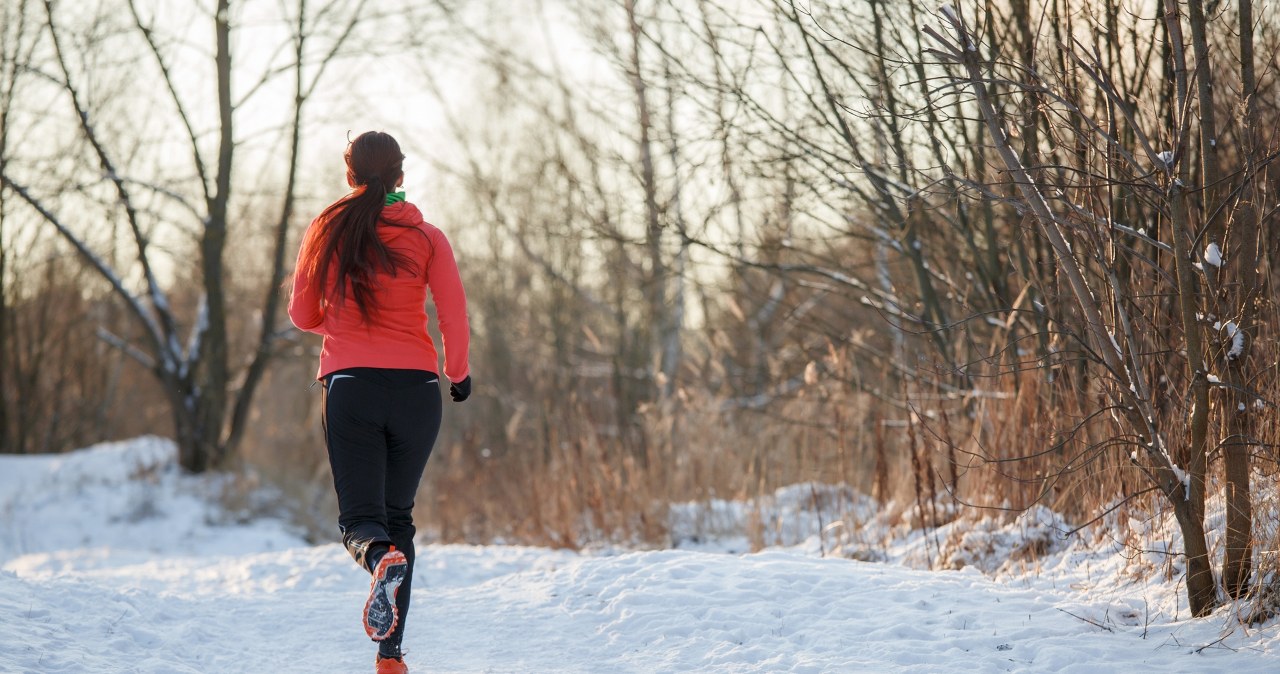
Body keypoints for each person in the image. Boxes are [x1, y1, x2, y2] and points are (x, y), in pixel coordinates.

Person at [288, 131, 471, 674]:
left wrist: (341, 327)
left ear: (351, 175)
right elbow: (453, 315)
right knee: (400, 519)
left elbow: (302, 313)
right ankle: (389, 658)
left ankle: (375, 558)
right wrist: (457, 374)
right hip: (417, 391)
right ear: (400, 175)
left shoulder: (330, 228)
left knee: (363, 522)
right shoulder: (429, 236)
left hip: (353, 388)